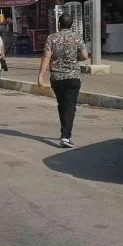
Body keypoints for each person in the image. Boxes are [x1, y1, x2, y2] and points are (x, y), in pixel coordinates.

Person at [37, 14, 89, 148]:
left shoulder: (51, 37)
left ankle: (64, 132)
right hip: (73, 76)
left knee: (62, 104)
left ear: (59, 24)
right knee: (70, 106)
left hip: (57, 77)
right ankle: (66, 137)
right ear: (71, 24)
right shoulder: (76, 37)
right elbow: (85, 55)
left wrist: (41, 75)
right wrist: (76, 59)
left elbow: (46, 57)